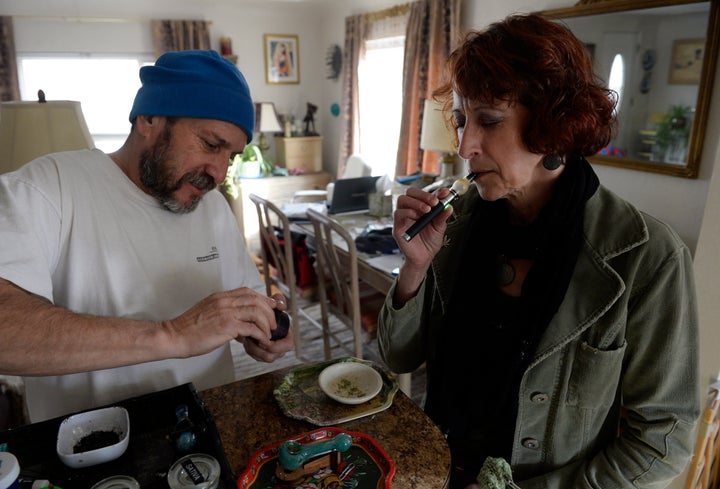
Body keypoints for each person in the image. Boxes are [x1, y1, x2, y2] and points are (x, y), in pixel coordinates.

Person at [378, 14, 700, 489]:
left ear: (554, 125)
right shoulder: (457, 226)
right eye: (463, 120)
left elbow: (662, 444)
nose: (466, 145)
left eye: (489, 120)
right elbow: (398, 357)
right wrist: (415, 269)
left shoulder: (648, 259)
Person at [0, 50, 294, 423]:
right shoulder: (48, 188)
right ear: (149, 118)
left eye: (231, 156)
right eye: (210, 144)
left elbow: (245, 298)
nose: (219, 172)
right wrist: (172, 335)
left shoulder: (214, 207)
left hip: (205, 428)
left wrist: (262, 329)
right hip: (87, 448)